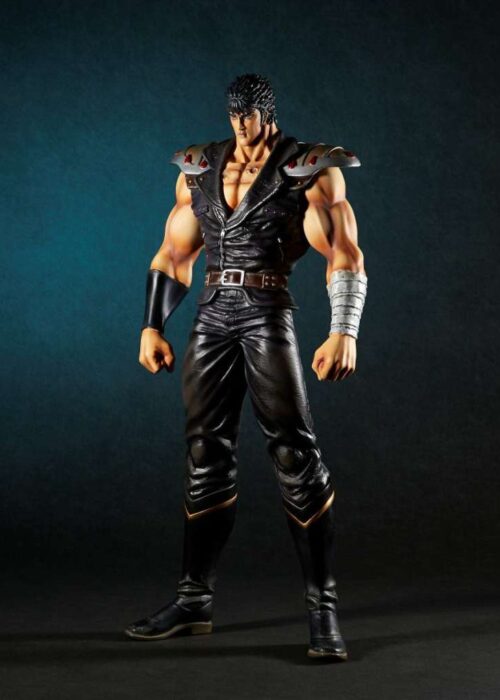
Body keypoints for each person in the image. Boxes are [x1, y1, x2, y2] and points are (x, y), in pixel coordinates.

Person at [125, 73, 368, 661]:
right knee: (205, 453)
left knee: (294, 453)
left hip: (266, 309)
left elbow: (343, 250)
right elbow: (175, 252)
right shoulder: (200, 167)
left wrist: (344, 330)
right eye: (233, 113)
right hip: (213, 312)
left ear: (267, 112)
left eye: (248, 114)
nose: (239, 124)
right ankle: (193, 601)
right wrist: (152, 325)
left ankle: (322, 611)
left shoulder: (309, 167)